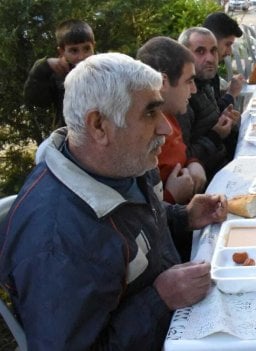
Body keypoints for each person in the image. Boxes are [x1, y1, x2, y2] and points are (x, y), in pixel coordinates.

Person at [0, 53, 227, 349]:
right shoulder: (56, 245)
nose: (166, 128)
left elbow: (132, 223)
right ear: (98, 126)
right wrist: (160, 300)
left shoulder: (119, 162)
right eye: (150, 113)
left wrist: (183, 216)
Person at [136, 37, 206, 207]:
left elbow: (183, 150)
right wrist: (171, 197)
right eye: (189, 81)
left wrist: (194, 162)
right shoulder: (140, 134)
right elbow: (138, 211)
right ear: (163, 82)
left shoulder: (171, 115)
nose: (194, 89)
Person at [178, 27, 241, 177]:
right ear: (183, 55)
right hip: (211, 179)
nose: (211, 58)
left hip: (227, 164)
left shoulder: (206, 82)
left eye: (213, 51)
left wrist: (224, 119)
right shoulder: (180, 98)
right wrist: (216, 135)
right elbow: (182, 158)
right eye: (200, 51)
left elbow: (208, 122)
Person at [23, 19, 95, 126]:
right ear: (62, 51)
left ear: (93, 46)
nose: (82, 56)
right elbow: (36, 101)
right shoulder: (57, 74)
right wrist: (42, 67)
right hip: (69, 136)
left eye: (86, 48)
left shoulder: (105, 70)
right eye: (74, 50)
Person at [202, 12, 246, 110]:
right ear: (212, 39)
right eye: (227, 44)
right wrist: (231, 93)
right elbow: (215, 115)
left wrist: (226, 92)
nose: (229, 52)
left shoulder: (212, 71)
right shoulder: (199, 71)